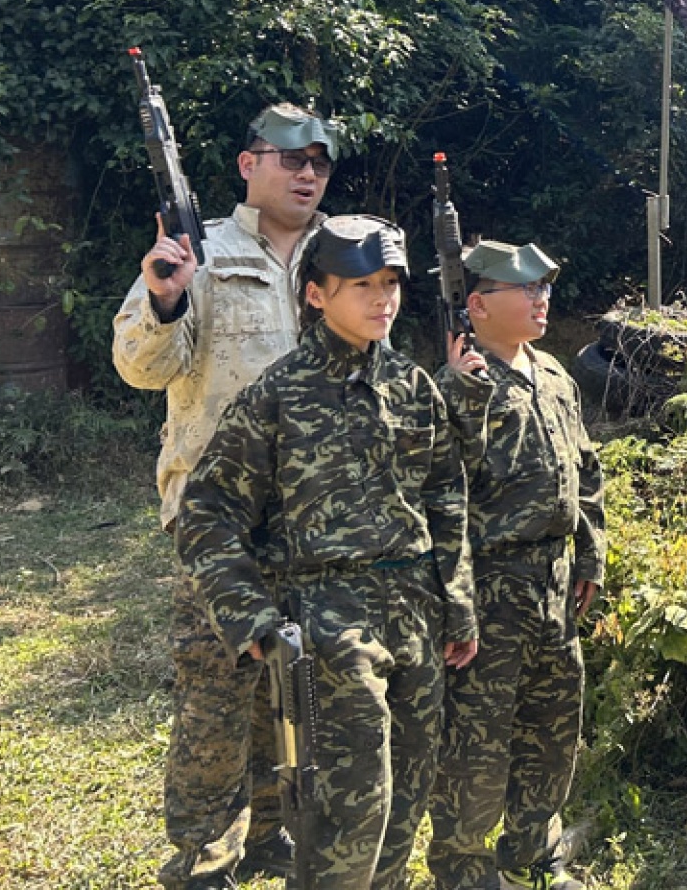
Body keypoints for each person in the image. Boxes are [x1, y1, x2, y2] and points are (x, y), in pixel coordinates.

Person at [175, 216, 479, 890]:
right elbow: (208, 511)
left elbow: (445, 498)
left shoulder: (413, 386)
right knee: (348, 814)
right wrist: (251, 618)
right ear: (316, 295)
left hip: (415, 618)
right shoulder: (277, 394)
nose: (382, 299)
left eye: (391, 283)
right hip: (326, 624)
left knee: (405, 799)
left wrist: (458, 605)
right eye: (362, 285)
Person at [112, 102, 339, 889]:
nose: (307, 174)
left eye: (319, 163)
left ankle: (272, 832)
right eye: (291, 159)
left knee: (293, 686)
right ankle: (204, 856)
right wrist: (165, 300)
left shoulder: (343, 259)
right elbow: (141, 368)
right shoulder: (198, 253)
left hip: (316, 518)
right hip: (221, 524)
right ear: (250, 165)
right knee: (216, 696)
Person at [427, 240, 605, 890]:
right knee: (476, 737)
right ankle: (462, 866)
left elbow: (586, 469)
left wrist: (591, 553)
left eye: (544, 288)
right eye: (525, 289)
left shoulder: (553, 374)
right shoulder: (457, 387)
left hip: (553, 582)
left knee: (551, 726)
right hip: (489, 585)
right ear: (477, 306)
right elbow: (440, 498)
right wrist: (456, 605)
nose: (540, 299)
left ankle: (533, 852)